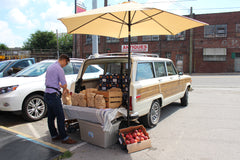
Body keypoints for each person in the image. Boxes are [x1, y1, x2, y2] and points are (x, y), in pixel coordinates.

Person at [44, 54, 77, 144]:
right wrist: (65, 88)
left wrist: (62, 87)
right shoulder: (59, 69)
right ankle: (64, 138)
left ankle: (54, 135)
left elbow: (51, 82)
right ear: (63, 60)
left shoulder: (50, 67)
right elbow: (64, 83)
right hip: (54, 95)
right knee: (60, 116)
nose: (65, 65)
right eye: (66, 63)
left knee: (51, 117)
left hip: (47, 94)